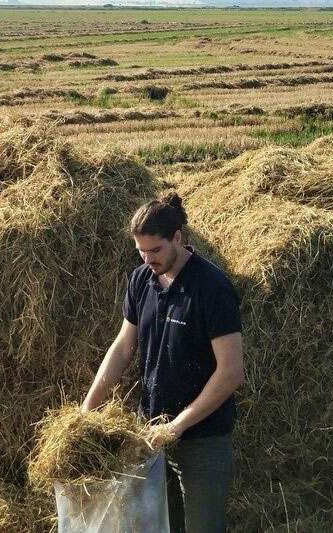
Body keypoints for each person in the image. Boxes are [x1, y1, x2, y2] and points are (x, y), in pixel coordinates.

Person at [80, 192, 244, 533]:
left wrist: (178, 425)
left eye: (155, 250)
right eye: (141, 250)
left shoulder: (210, 288)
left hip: (201, 439)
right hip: (150, 433)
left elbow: (230, 372)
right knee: (154, 525)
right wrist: (88, 408)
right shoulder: (142, 280)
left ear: (178, 238)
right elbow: (124, 347)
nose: (148, 258)